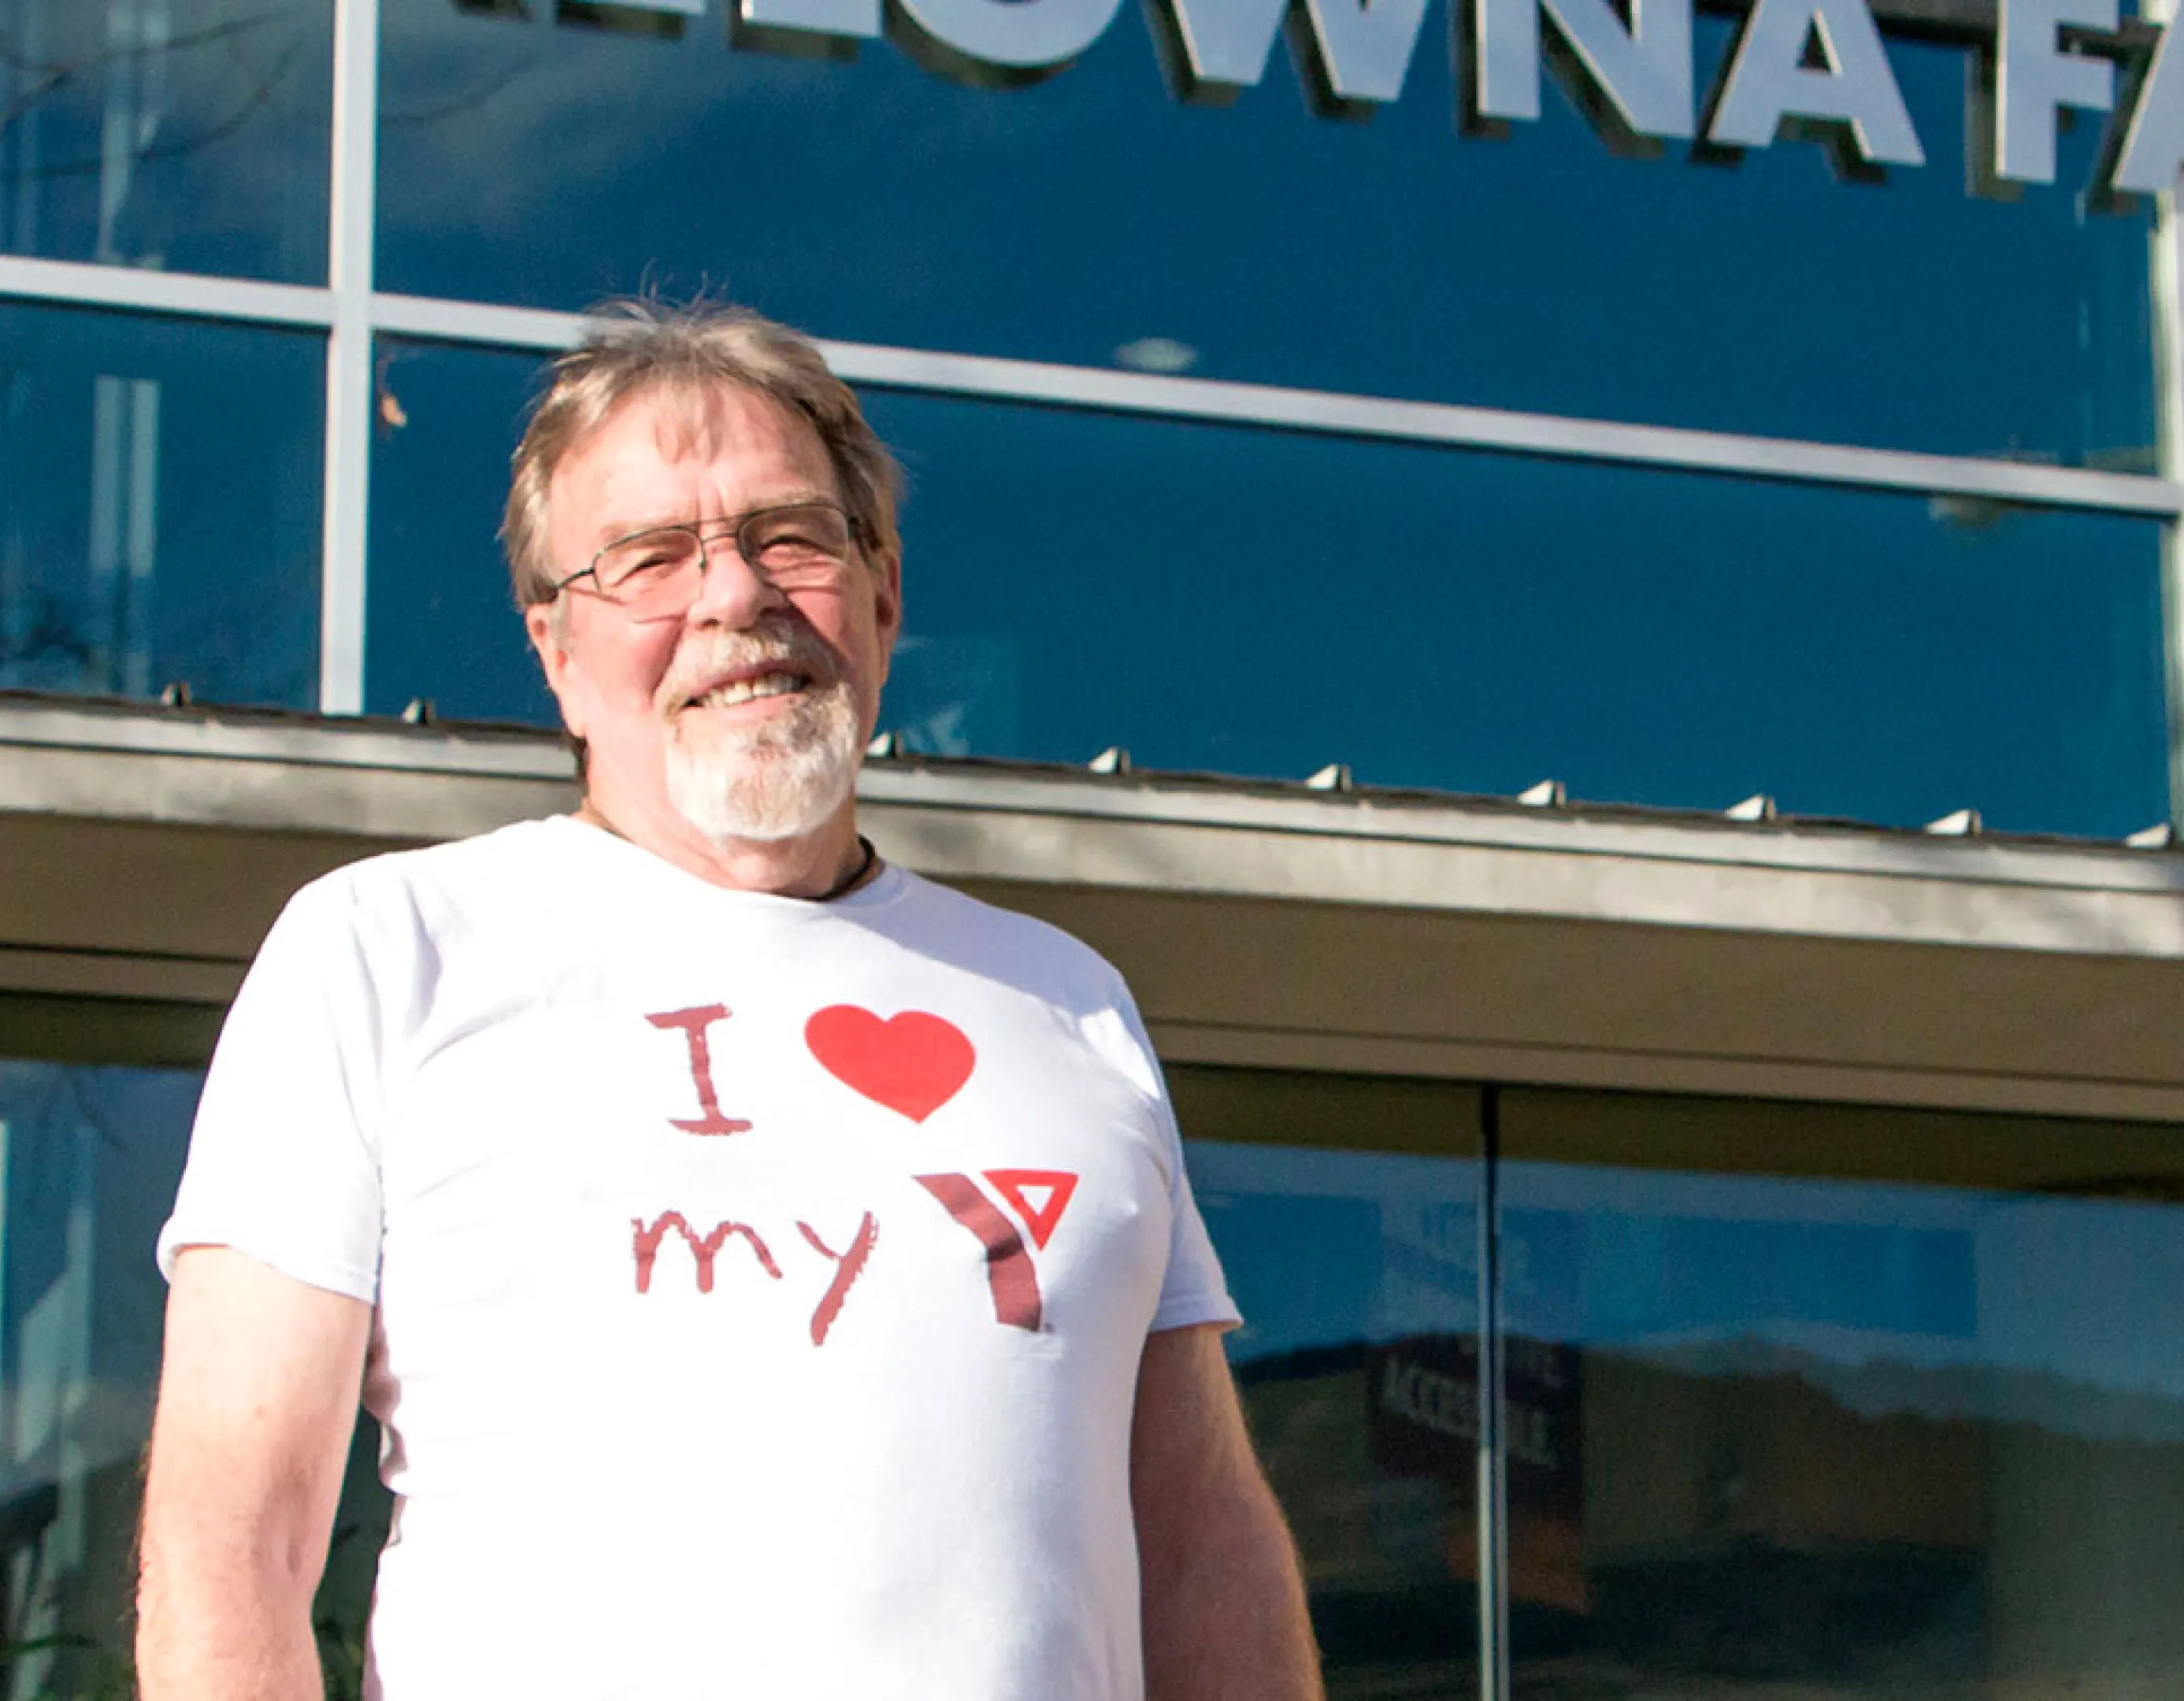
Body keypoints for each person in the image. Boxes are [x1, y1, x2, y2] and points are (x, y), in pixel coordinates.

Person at [133, 301, 1322, 1701]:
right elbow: (234, 1543)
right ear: (556, 650)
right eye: (648, 558)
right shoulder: (387, 951)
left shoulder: (1069, 1003)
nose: (734, 597)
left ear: (883, 596)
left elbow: (1200, 1548)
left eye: (791, 538)